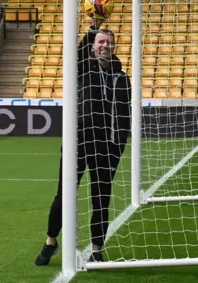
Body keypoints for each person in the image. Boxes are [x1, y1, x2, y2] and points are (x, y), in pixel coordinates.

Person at [34, 16, 131, 266]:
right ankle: (50, 242)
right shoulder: (82, 68)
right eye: (100, 41)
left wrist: (118, 146)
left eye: (109, 42)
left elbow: (124, 116)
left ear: (114, 47)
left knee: (101, 197)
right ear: (92, 45)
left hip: (106, 148)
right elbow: (77, 52)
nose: (105, 46)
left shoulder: (122, 78)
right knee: (63, 195)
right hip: (77, 142)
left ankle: (97, 248)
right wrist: (93, 28)